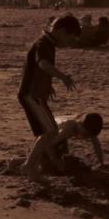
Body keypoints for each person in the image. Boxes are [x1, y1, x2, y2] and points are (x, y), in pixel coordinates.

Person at [18, 13, 81, 141]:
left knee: (44, 132)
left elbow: (40, 69)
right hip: (32, 95)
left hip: (36, 94)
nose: (68, 43)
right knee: (50, 131)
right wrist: (63, 77)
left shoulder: (48, 43)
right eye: (69, 39)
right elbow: (43, 64)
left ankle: (42, 159)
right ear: (61, 32)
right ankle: (31, 161)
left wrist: (48, 85)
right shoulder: (43, 43)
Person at [23, 113, 104, 180]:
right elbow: (47, 145)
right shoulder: (67, 130)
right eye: (85, 135)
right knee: (51, 166)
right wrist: (55, 160)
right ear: (80, 124)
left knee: (63, 161)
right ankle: (20, 162)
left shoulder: (86, 124)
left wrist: (101, 163)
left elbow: (96, 144)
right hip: (45, 134)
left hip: (56, 135)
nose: (86, 138)